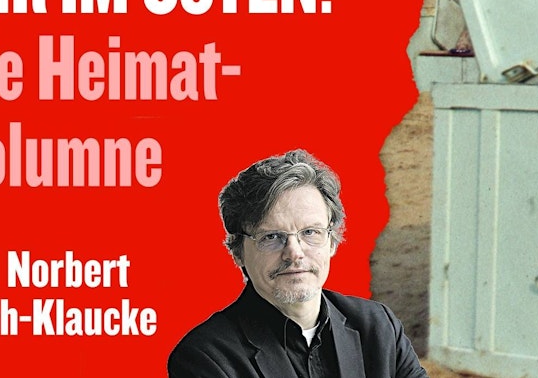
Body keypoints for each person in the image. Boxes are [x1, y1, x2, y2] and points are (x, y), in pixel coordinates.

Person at [169, 150, 426, 378]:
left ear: (332, 241)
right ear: (238, 252)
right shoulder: (206, 357)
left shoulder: (379, 327)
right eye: (271, 237)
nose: (294, 253)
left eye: (311, 232)